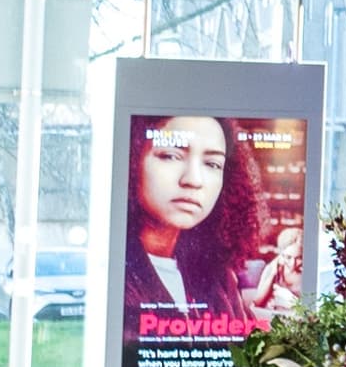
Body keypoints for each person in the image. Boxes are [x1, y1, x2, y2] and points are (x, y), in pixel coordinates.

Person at [122, 113, 302, 328]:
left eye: (212, 164)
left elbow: (246, 342)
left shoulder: (218, 277)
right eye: (171, 155)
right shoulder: (115, 272)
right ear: (133, 159)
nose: (194, 180)